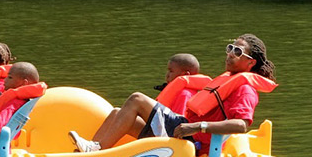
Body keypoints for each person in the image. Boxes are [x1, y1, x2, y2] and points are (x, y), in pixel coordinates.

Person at [69, 34, 276, 155]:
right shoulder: (228, 80)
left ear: (251, 63)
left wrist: (197, 126)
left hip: (191, 138)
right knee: (117, 113)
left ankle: (93, 152)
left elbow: (241, 125)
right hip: (184, 130)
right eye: (230, 48)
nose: (230, 54)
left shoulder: (245, 89)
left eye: (238, 52)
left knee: (137, 99)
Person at [69, 52, 209, 151]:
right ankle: (90, 151)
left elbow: (178, 123)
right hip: (164, 133)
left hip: (174, 140)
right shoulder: (177, 91)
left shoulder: (185, 93)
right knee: (116, 113)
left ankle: (97, 149)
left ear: (186, 74)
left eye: (171, 71)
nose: (167, 75)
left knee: (136, 99)